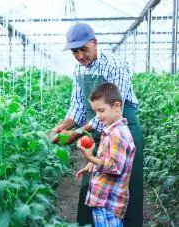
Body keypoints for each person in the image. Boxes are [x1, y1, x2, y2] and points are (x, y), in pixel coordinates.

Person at [53, 23, 144, 226]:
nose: (79, 56)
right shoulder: (79, 70)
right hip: (100, 131)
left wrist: (77, 132)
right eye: (74, 52)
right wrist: (61, 128)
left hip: (123, 129)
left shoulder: (115, 65)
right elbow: (76, 107)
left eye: (83, 49)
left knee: (126, 184)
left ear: (94, 43)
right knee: (94, 182)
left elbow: (111, 110)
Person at [76, 82, 135, 227]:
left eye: (101, 110)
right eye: (95, 111)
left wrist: (90, 157)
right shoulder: (112, 130)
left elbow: (114, 166)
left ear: (116, 106)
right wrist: (91, 164)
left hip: (108, 203)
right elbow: (108, 157)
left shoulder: (117, 134)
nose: (98, 116)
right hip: (105, 200)